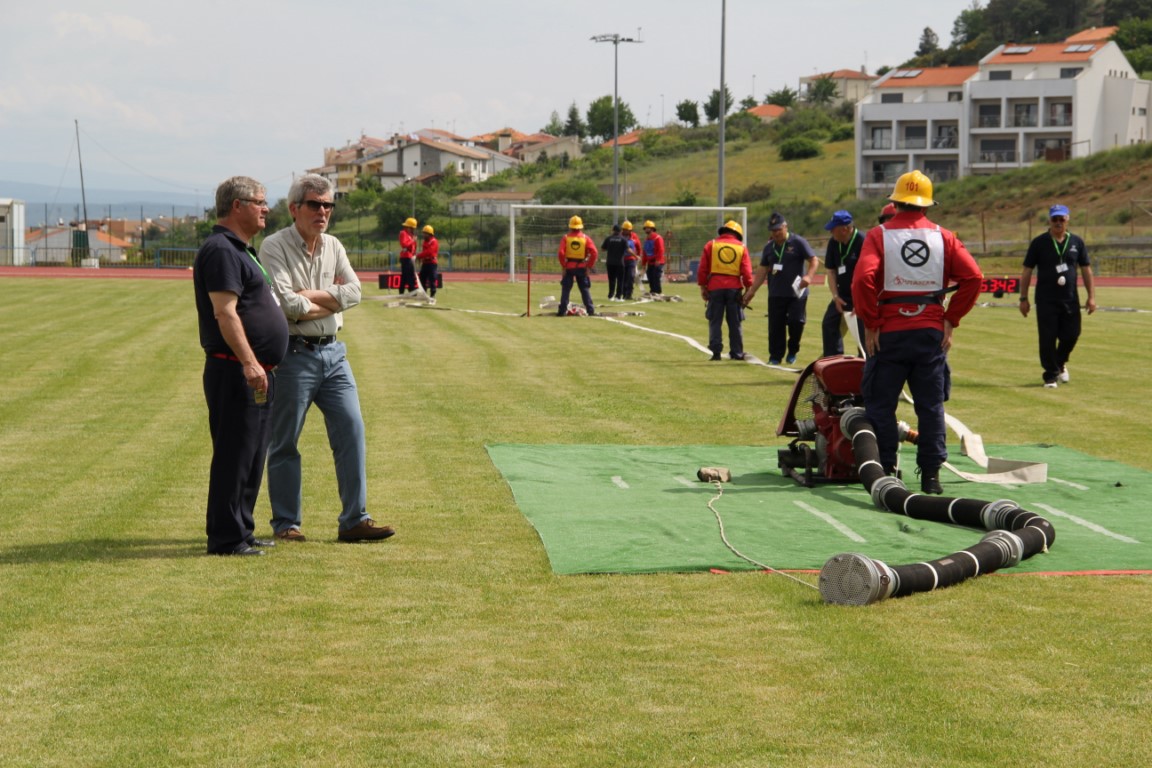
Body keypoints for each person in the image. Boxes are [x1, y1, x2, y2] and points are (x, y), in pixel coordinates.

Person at [259, 173, 395, 543]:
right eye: (315, 204)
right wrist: (329, 301)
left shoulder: (334, 245)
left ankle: (354, 520)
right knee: (285, 441)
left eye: (328, 205)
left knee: (352, 431)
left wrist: (312, 299)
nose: (323, 211)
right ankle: (287, 524)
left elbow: (355, 293)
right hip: (293, 355)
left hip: (334, 353)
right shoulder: (273, 246)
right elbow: (287, 305)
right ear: (294, 209)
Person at [851, 170, 982, 494]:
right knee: (930, 406)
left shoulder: (878, 235)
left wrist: (872, 322)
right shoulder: (944, 237)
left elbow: (862, 280)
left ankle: (886, 472)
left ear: (895, 202)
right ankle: (931, 477)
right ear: (926, 205)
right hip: (929, 331)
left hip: (890, 333)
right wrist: (951, 318)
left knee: (881, 405)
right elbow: (974, 278)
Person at [193, 176, 288, 556]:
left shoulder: (242, 250)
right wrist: (250, 363)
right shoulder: (221, 250)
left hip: (255, 370)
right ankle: (226, 537)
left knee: (252, 454)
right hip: (236, 369)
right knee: (235, 453)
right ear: (237, 206)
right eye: (259, 202)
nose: (266, 208)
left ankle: (242, 529)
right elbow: (225, 312)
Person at [1019, 204, 1096, 388]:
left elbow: (1086, 270)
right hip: (1046, 299)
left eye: (1062, 219)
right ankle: (1050, 376)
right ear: (1049, 220)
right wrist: (1023, 298)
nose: (1058, 223)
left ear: (1067, 219)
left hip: (1070, 298)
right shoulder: (1039, 243)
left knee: (1072, 334)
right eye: (1055, 219)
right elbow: (1027, 271)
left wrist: (1091, 296)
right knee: (1047, 338)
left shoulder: (1077, 242)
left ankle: (1060, 362)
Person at [742, 212, 819, 365]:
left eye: (778, 229)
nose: (776, 233)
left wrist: (809, 276)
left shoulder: (798, 242)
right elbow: (762, 270)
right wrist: (751, 291)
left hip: (797, 293)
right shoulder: (769, 247)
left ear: (785, 227)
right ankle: (775, 357)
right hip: (776, 293)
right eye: (773, 230)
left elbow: (813, 260)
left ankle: (793, 349)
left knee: (796, 322)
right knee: (775, 327)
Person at [697, 220, 754, 360]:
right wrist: (748, 288)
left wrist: (703, 287)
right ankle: (737, 352)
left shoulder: (711, 245)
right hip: (734, 289)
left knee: (715, 321)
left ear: (723, 231)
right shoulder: (741, 247)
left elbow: (702, 269)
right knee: (735, 322)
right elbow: (746, 271)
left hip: (715, 287)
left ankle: (716, 352)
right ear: (737, 234)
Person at [821, 210, 866, 357]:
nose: (831, 232)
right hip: (842, 294)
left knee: (862, 330)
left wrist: (860, 301)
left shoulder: (863, 241)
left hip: (862, 296)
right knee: (829, 323)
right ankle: (833, 360)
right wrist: (835, 295)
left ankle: (865, 362)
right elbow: (831, 271)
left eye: (833, 229)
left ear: (845, 229)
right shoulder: (834, 243)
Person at [556, 215, 598, 315]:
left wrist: (564, 266)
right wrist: (589, 266)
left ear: (570, 226)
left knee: (566, 289)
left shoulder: (566, 238)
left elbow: (561, 253)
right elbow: (594, 252)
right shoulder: (585, 238)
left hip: (569, 266)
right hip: (582, 267)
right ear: (581, 226)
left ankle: (562, 311)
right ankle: (590, 310)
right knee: (584, 289)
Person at [601, 224, 631, 302]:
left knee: (611, 280)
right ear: (620, 231)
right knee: (620, 280)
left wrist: (611, 248)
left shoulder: (608, 238)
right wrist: (635, 256)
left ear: (613, 230)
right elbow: (628, 250)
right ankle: (618, 297)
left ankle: (611, 296)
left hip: (610, 263)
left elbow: (603, 249)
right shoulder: (623, 239)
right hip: (619, 263)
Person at [641, 219, 666, 296]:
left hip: (657, 262)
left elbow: (661, 249)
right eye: (645, 228)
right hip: (650, 262)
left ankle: (658, 292)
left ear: (652, 229)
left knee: (656, 277)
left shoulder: (658, 238)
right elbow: (645, 252)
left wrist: (658, 260)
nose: (646, 229)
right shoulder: (647, 240)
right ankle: (652, 292)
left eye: (647, 228)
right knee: (650, 276)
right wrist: (644, 264)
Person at [416, 224, 440, 303]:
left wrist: (418, 256)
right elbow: (424, 252)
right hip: (425, 263)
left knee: (432, 279)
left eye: (425, 233)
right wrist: (420, 258)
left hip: (432, 263)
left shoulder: (434, 242)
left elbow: (428, 252)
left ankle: (432, 296)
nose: (423, 235)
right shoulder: (425, 242)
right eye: (423, 233)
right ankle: (424, 295)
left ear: (429, 234)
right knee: (422, 278)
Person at [621, 220, 641, 300]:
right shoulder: (620, 236)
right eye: (624, 229)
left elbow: (638, 247)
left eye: (627, 230)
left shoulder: (634, 236)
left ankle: (629, 294)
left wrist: (638, 256)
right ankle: (623, 293)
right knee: (623, 278)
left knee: (631, 276)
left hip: (631, 260)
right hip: (622, 260)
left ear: (630, 230)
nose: (625, 231)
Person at [397, 216, 418, 293]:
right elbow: (404, 244)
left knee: (407, 275)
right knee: (408, 275)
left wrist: (414, 254)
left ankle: (406, 290)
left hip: (410, 257)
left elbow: (414, 247)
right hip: (405, 257)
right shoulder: (403, 233)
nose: (413, 230)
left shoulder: (411, 235)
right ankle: (411, 290)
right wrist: (413, 240)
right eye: (412, 228)